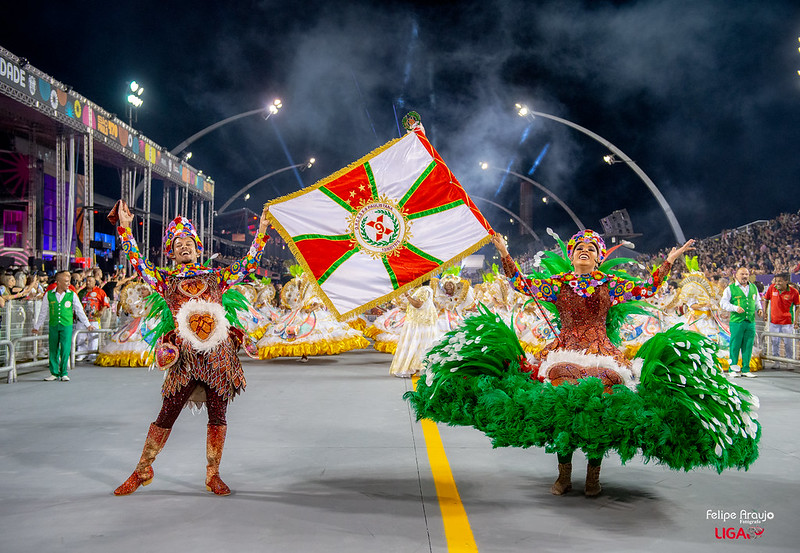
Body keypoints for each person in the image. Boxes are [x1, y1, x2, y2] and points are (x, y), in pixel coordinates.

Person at [408, 230, 759, 499]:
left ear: (599, 257)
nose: (585, 253)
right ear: (572, 256)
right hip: (564, 352)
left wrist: (670, 259)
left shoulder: (612, 283)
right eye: (579, 249)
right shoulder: (558, 284)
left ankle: (593, 473)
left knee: (601, 410)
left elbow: (649, 290)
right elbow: (520, 284)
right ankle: (563, 474)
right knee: (564, 405)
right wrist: (502, 251)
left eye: (591, 249)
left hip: (603, 353)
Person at [112, 199, 269, 496]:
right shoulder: (164, 280)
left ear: (198, 248)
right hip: (184, 360)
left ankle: (213, 474)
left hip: (218, 359)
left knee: (218, 416)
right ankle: (143, 469)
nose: (184, 246)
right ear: (171, 253)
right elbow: (137, 262)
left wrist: (261, 232)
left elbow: (249, 264)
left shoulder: (216, 277)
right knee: (166, 415)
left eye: (189, 242)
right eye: (177, 243)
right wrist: (126, 230)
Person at [31, 270, 96, 381]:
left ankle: (64, 372)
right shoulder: (49, 295)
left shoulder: (72, 294)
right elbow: (43, 312)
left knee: (65, 348)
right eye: (66, 281)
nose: (68, 283)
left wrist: (87, 324)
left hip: (66, 324)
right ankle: (54, 372)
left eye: (69, 281)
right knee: (53, 349)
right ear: (58, 282)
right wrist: (37, 326)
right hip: (54, 324)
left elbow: (79, 310)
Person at [720, 267, 763, 378]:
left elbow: (757, 301)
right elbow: (723, 303)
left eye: (746, 274)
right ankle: (733, 369)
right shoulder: (730, 289)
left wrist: (760, 309)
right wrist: (735, 308)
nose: (744, 276)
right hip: (737, 322)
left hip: (750, 321)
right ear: (736, 276)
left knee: (748, 345)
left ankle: (745, 369)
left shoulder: (753, 287)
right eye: (742, 274)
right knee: (735, 345)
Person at [389, 284, 438, 378]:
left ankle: (414, 368)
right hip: (419, 322)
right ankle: (416, 368)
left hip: (420, 323)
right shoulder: (423, 289)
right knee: (417, 345)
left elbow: (418, 305)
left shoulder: (424, 289)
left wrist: (407, 296)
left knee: (416, 344)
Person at [763, 272, 799, 361]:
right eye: (776, 281)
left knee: (788, 343)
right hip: (774, 322)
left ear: (786, 281)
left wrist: (796, 320)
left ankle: (789, 361)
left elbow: (798, 307)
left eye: (780, 281)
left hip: (787, 323)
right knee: (775, 342)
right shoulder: (771, 288)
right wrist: (765, 312)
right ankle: (776, 361)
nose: (777, 283)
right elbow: (766, 300)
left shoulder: (794, 292)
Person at [76, 275, 110, 361]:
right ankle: (81, 353)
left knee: (93, 337)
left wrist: (101, 311)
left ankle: (92, 354)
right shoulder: (81, 292)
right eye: (86, 281)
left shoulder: (100, 292)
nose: (88, 283)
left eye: (90, 281)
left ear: (95, 282)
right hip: (81, 319)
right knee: (80, 336)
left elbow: (105, 304)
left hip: (94, 319)